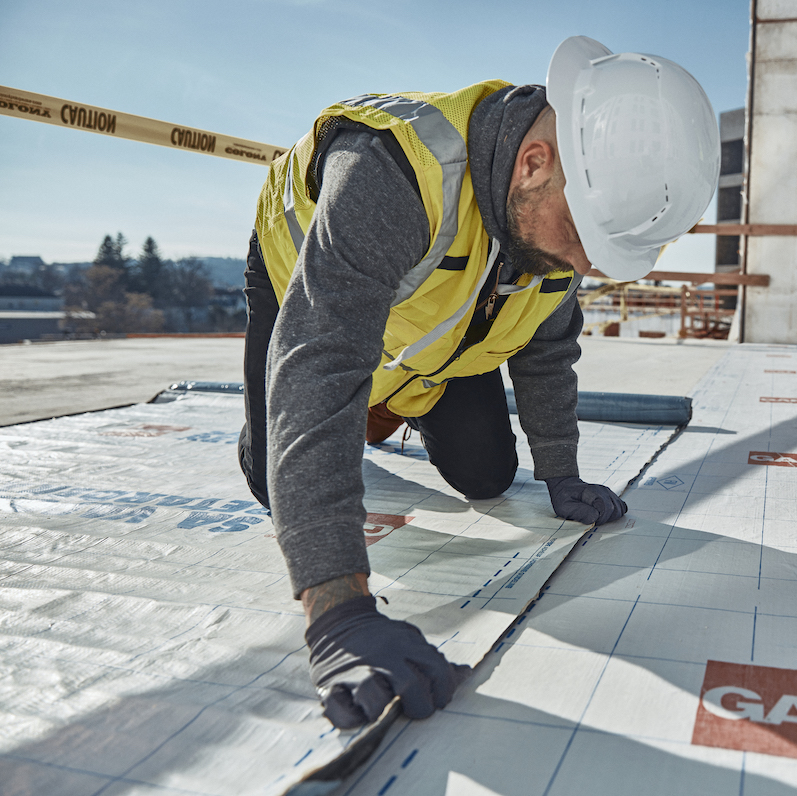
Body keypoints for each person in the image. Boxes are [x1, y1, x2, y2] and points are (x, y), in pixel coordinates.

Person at [238, 36, 719, 730]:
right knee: (273, 480)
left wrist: (561, 471)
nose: (586, 266)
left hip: (430, 332)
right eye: (585, 240)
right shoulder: (395, 172)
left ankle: (392, 401)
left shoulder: (555, 217)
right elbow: (321, 360)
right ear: (532, 163)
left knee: (489, 475)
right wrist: (337, 613)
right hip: (300, 290)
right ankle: (359, 406)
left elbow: (550, 347)